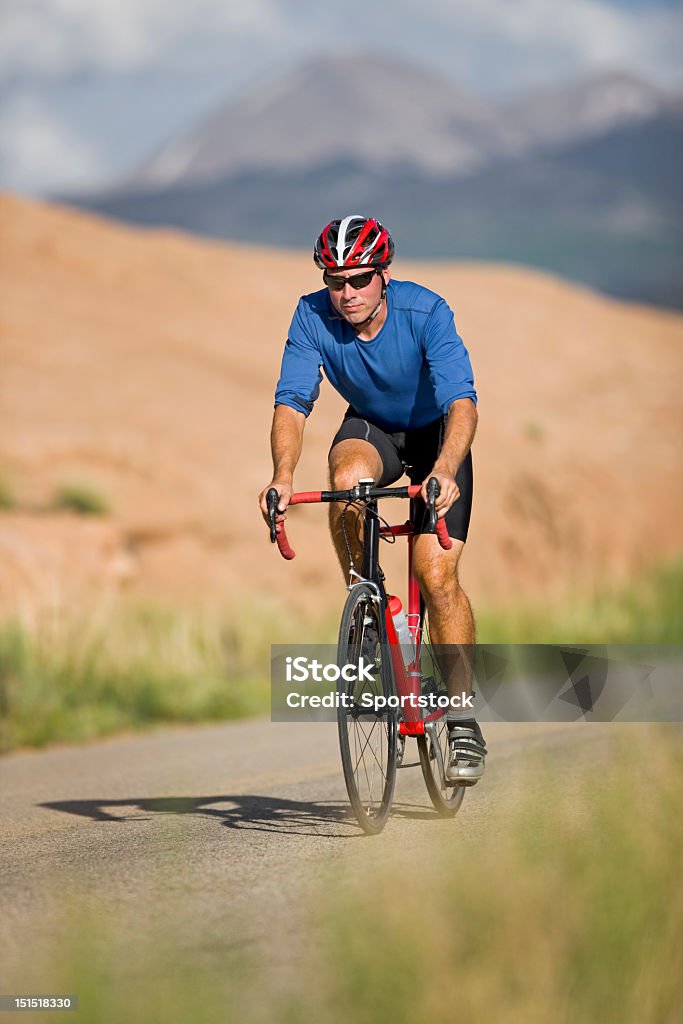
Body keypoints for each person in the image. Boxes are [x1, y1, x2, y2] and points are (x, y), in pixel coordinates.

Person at [258, 215, 486, 783]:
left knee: (436, 579)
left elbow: (462, 402)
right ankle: (368, 608)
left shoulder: (426, 312)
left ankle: (461, 720)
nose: (347, 293)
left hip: (437, 435)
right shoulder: (311, 315)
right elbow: (292, 402)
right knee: (347, 476)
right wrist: (282, 475)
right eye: (336, 281)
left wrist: (446, 469)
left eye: (359, 279)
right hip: (374, 427)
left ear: (384, 275)